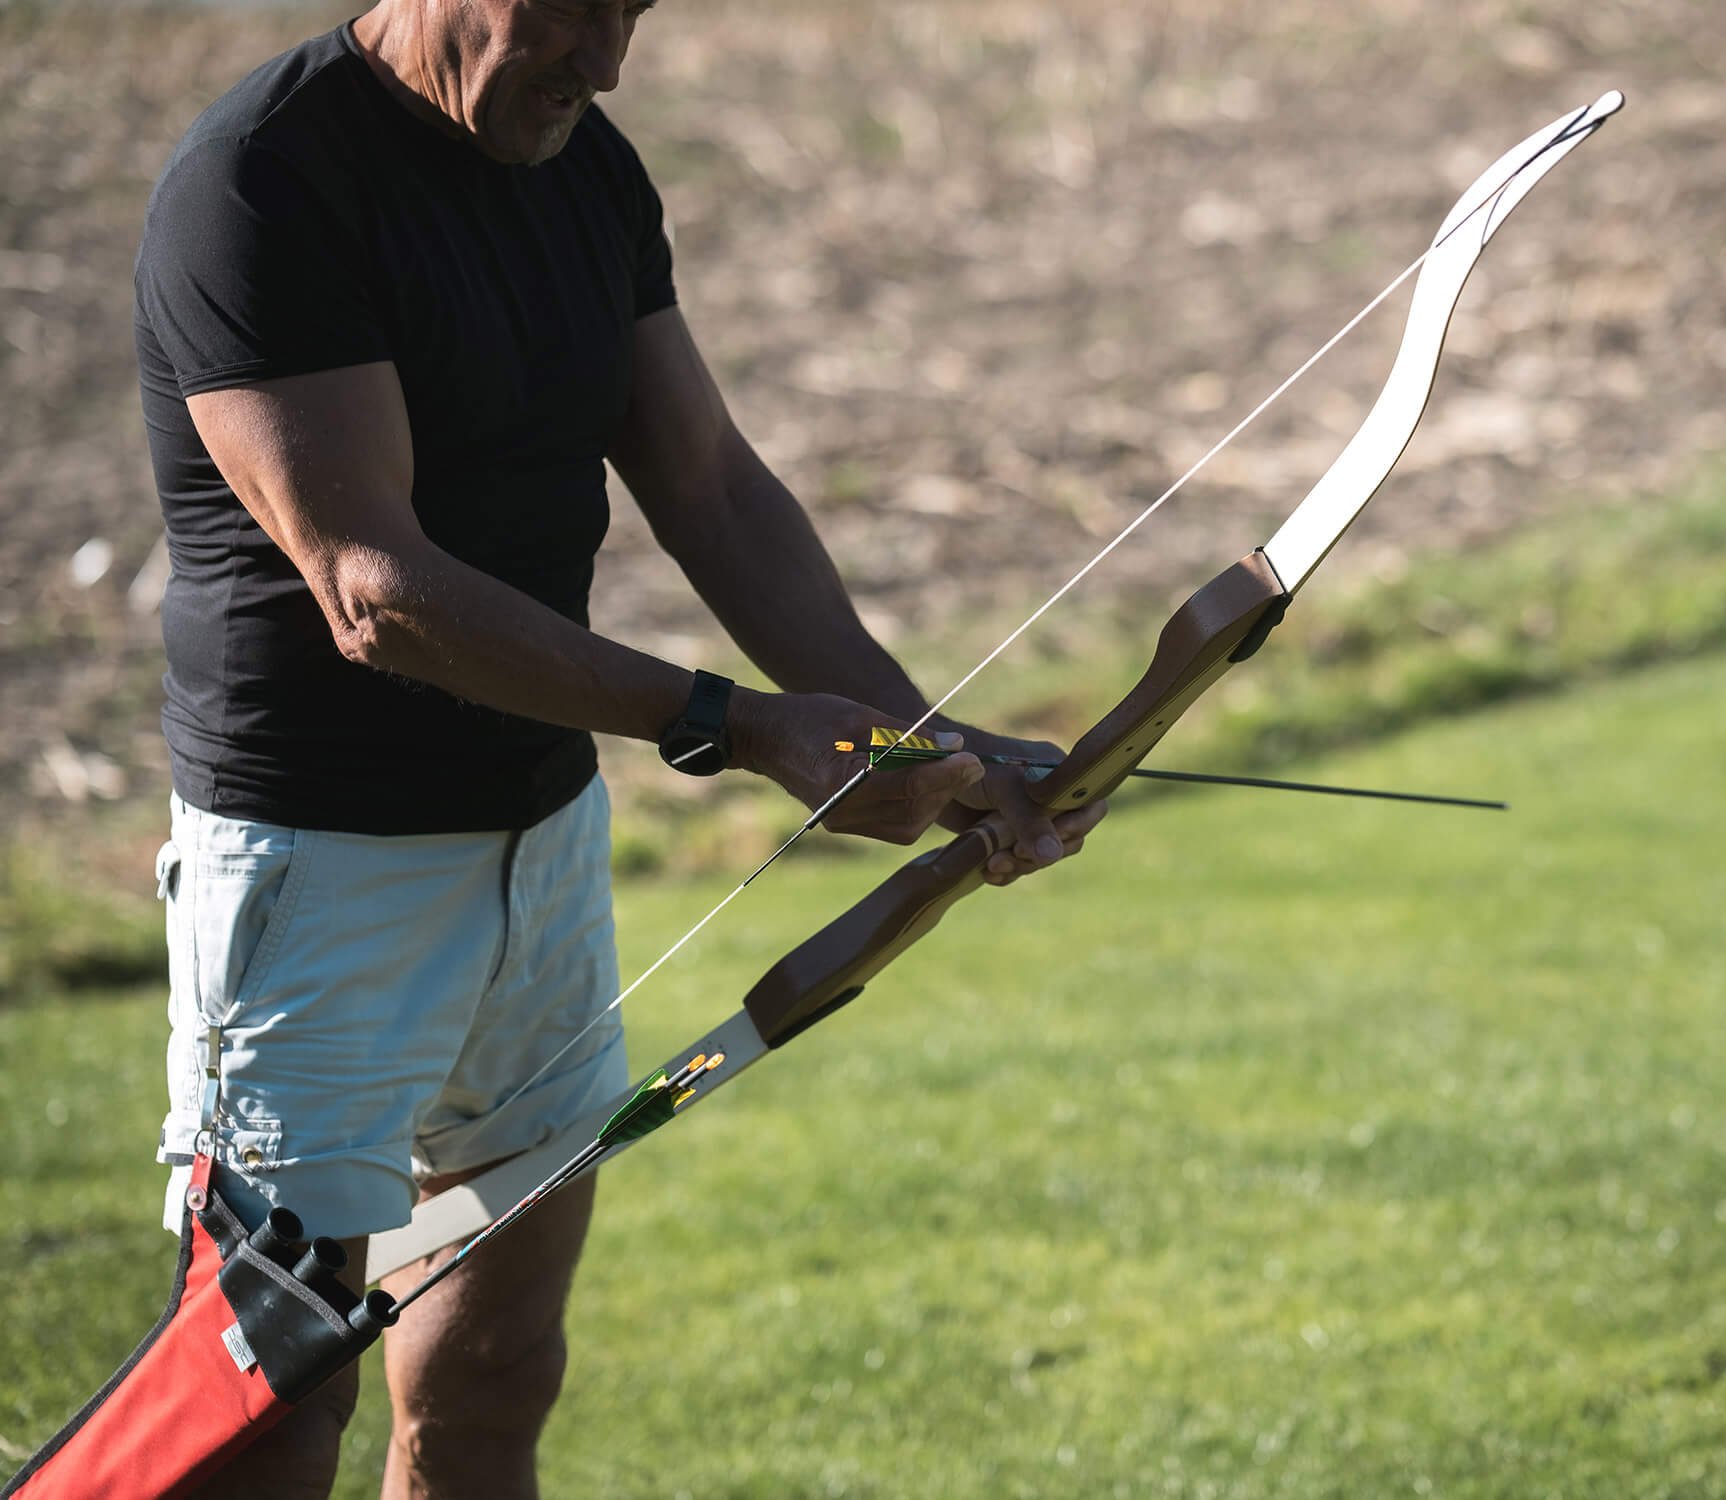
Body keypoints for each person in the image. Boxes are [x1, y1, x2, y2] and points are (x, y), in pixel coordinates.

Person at [132, 0, 1106, 1491]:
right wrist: (732, 725)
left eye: (631, 12)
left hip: (539, 844)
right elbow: (372, 590)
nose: (603, 59)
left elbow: (708, 485)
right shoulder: (265, 183)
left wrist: (934, 739)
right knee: (268, 1411)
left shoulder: (589, 170)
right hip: (316, 879)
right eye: (571, 9)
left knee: (498, 1375)